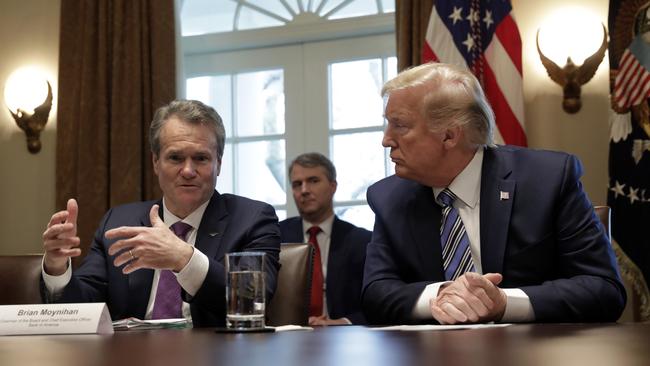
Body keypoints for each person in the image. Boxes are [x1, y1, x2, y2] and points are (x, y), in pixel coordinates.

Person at [361, 62, 626, 325]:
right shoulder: (389, 198)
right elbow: (375, 294)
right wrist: (442, 296)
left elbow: (603, 288)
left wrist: (504, 303)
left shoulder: (547, 180)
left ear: (449, 136)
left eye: (400, 125)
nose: (386, 139)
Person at [40, 100, 281, 327]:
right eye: (175, 157)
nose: (188, 170)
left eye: (201, 158)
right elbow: (85, 306)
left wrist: (184, 258)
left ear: (218, 162)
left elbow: (251, 299)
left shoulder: (253, 219)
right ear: (156, 162)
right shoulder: (120, 223)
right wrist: (57, 268)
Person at [280, 153, 371, 325]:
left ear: (332, 186)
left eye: (313, 181)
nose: (304, 190)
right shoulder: (276, 236)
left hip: (342, 336)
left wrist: (342, 322)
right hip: (288, 334)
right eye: (297, 184)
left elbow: (375, 303)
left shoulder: (361, 241)